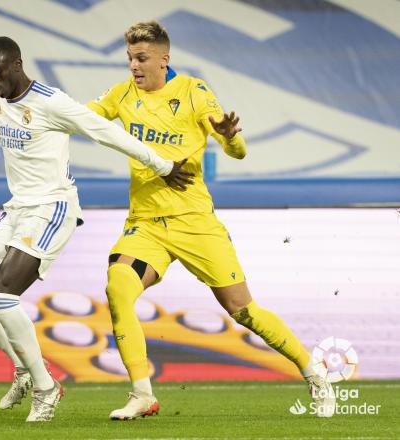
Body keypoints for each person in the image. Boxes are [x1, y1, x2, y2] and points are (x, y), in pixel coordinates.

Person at [87, 21, 336, 420]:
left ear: (164, 59)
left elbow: (236, 151)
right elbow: (82, 119)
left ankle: (314, 371)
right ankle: (141, 393)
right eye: (130, 58)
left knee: (243, 310)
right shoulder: (121, 95)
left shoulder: (193, 91)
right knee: (118, 287)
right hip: (146, 224)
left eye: (142, 58)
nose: (134, 66)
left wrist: (229, 136)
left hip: (195, 221)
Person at [0, 36, 191, 422]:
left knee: (4, 296)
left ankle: (46, 388)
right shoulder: (0, 100)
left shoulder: (52, 103)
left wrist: (162, 165)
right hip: (17, 210)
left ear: (17, 65)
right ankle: (23, 367)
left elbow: (108, 133)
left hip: (53, 208)